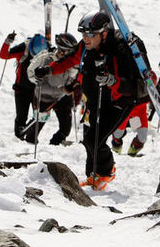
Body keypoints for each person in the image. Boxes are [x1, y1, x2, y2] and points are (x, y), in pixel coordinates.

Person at [34, 11, 137, 191]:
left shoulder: (118, 51)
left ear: (104, 34)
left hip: (118, 103)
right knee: (88, 139)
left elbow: (130, 85)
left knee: (95, 140)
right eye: (83, 34)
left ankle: (106, 172)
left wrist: (111, 80)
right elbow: (69, 60)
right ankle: (92, 176)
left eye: (90, 34)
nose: (85, 38)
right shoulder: (85, 47)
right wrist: (49, 70)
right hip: (93, 101)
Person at [25, 33, 81, 145]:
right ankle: (29, 144)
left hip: (62, 98)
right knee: (37, 126)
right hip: (44, 97)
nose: (70, 55)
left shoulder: (70, 62)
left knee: (65, 128)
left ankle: (55, 146)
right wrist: (37, 79)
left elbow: (72, 76)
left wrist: (70, 86)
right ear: (61, 50)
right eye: (68, 52)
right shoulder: (45, 58)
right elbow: (30, 72)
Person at [0, 32, 48, 139]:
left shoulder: (47, 50)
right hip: (21, 88)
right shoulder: (23, 47)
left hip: (37, 89)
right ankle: (19, 137)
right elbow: (4, 55)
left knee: (40, 115)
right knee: (21, 117)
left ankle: (30, 136)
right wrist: (8, 42)